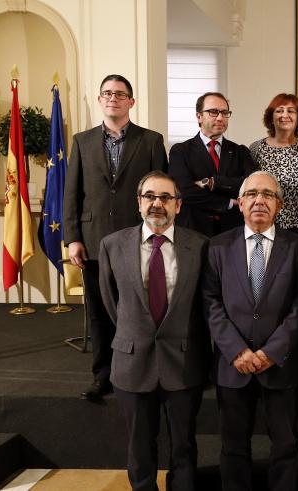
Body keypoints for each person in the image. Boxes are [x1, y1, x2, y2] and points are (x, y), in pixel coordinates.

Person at [203, 171, 298, 491]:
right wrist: (236, 350)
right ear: (239, 204)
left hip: (280, 364)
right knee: (233, 446)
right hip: (232, 364)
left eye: (267, 195)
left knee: (285, 445)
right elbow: (211, 303)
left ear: (279, 204)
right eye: (251, 194)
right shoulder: (217, 247)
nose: (259, 200)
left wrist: (271, 351)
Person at [98, 171, 209, 491]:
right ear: (138, 203)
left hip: (185, 362)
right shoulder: (112, 245)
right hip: (133, 361)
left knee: (184, 445)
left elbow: (205, 304)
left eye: (165, 198)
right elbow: (110, 302)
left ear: (178, 205)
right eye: (149, 196)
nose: (157, 204)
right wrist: (134, 333)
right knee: (139, 445)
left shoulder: (201, 246)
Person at [64, 74, 168, 400]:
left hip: (136, 242)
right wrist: (73, 238)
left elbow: (161, 194)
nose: (113, 98)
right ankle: (102, 377)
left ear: (131, 102)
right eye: (107, 93)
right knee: (99, 314)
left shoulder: (150, 141)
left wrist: (159, 235)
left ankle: (141, 372)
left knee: (138, 311)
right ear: (100, 100)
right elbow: (72, 194)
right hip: (93, 242)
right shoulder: (81, 141)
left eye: (120, 94)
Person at [169, 91, 256, 237]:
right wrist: (228, 202)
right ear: (199, 116)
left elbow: (251, 185)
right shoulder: (180, 151)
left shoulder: (240, 151)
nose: (220, 117)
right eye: (213, 112)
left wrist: (213, 182)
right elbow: (184, 191)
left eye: (224, 112)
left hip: (233, 232)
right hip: (193, 231)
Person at [249, 94, 298, 243]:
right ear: (271, 118)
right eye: (279, 111)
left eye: (291, 111)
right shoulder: (256, 149)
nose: (284, 115)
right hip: (265, 228)